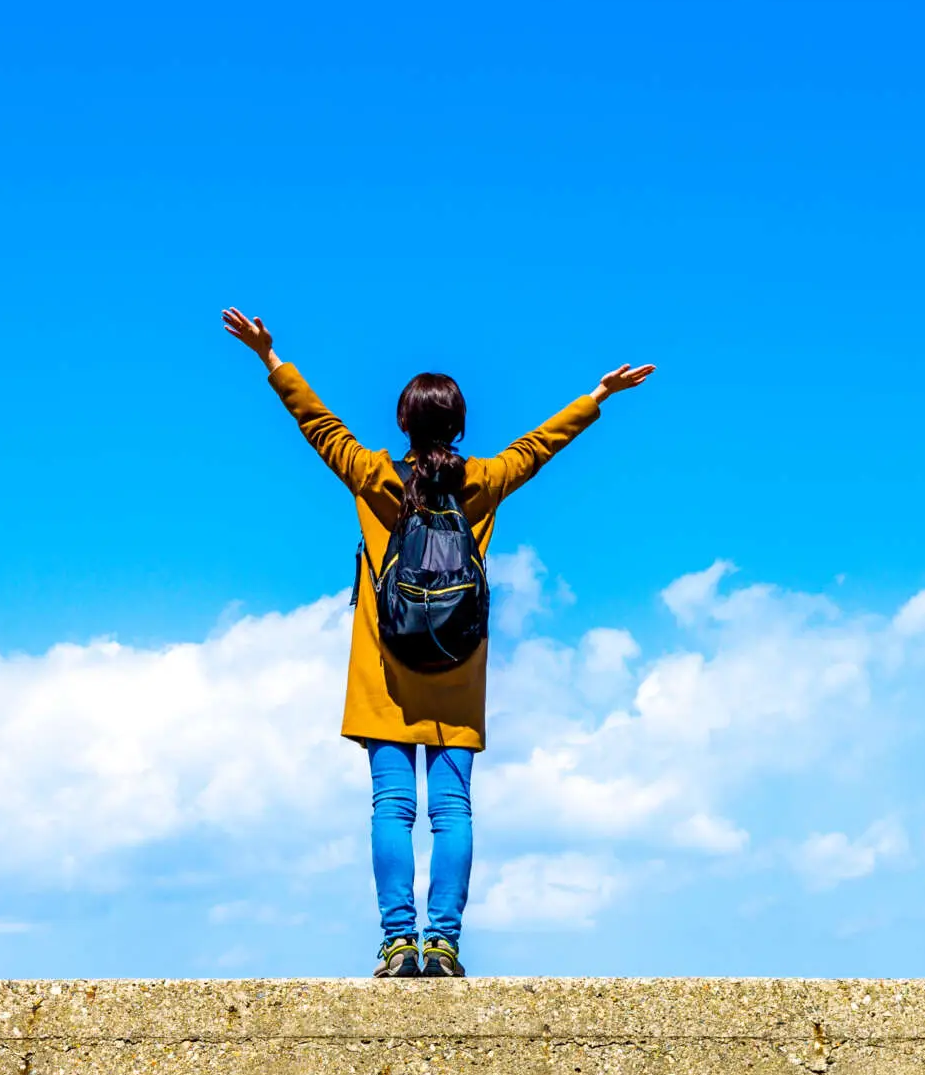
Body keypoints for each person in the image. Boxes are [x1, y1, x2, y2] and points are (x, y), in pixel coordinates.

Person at [221, 306, 654, 979]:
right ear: (458, 426)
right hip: (456, 671)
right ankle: (444, 942)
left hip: (386, 672)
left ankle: (400, 941)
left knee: (392, 806)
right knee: (452, 810)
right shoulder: (479, 483)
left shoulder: (374, 476)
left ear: (403, 423)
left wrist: (271, 359)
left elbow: (318, 424)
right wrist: (596, 397)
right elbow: (538, 447)